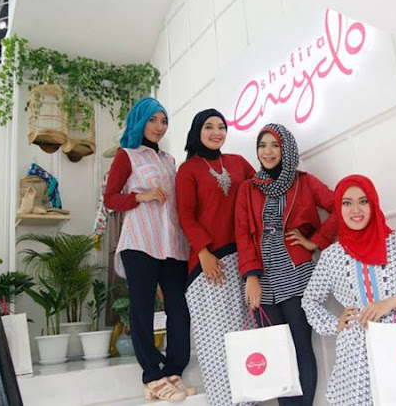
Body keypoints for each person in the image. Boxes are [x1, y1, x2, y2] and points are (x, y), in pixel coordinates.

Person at [302, 174, 396, 405]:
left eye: (363, 201)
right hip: (355, 352)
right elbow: (310, 301)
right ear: (339, 208)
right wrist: (335, 324)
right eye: (347, 203)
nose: (355, 210)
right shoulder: (332, 256)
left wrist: (389, 303)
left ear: (373, 203)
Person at [235, 123, 337, 406]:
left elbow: (338, 207)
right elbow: (242, 233)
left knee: (300, 345)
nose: (267, 151)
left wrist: (315, 241)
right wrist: (250, 276)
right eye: (262, 145)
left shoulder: (304, 182)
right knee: (275, 351)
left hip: (296, 273)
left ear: (286, 149)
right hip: (262, 278)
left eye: (274, 145)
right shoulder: (248, 188)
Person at [104, 97, 194, 402]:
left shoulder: (169, 160)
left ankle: (174, 370)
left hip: (172, 244)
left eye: (163, 120)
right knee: (141, 307)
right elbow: (110, 198)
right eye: (153, 120)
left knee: (178, 308)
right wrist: (140, 197)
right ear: (140, 121)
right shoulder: (127, 156)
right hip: (141, 241)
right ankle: (152, 376)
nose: (159, 126)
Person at [175, 108, 257, 406]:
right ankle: (224, 402)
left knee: (245, 335)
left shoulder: (237, 162)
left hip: (243, 261)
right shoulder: (188, 170)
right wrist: (203, 252)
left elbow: (261, 190)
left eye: (221, 127)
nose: (216, 132)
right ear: (197, 131)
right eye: (209, 127)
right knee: (216, 340)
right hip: (208, 265)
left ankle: (250, 400)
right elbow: (186, 216)